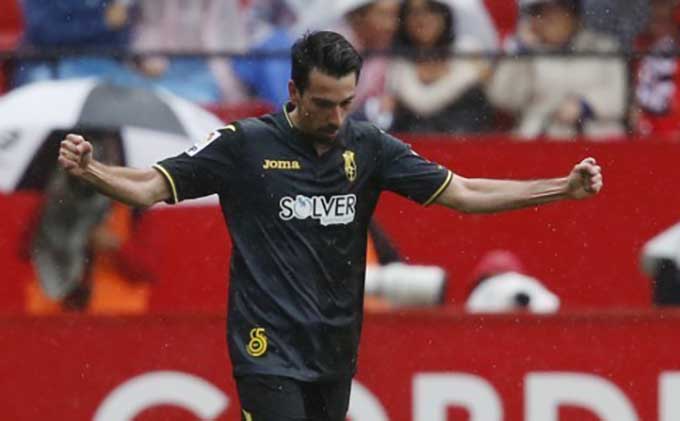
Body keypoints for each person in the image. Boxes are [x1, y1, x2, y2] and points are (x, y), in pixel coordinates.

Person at [57, 31, 603, 420]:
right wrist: (92, 171)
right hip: (264, 347)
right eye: (323, 104)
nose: (337, 118)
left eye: (347, 102)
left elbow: (464, 192)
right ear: (293, 92)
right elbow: (151, 185)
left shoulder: (369, 147)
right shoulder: (243, 145)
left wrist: (560, 187)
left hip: (334, 349)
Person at [486, 0, 627, 139]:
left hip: (596, 140)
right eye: (539, 11)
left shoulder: (604, 47)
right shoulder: (526, 51)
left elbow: (620, 97)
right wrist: (519, 51)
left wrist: (585, 106)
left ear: (574, 13)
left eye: (556, 10)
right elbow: (503, 99)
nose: (547, 18)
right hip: (540, 140)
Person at [386, 0, 493, 133]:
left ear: (445, 14)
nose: (422, 19)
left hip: (465, 142)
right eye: (413, 12)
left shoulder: (467, 50)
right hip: (414, 144)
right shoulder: (396, 61)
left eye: (431, 10)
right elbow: (421, 104)